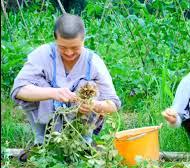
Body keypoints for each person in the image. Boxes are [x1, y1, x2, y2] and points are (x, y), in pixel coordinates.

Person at [10, 14, 121, 159]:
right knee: (36, 85)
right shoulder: (42, 55)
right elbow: (18, 90)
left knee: (89, 86)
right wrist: (52, 93)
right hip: (45, 128)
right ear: (55, 39)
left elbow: (114, 104)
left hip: (80, 131)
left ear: (83, 40)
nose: (69, 53)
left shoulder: (93, 62)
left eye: (75, 48)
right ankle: (42, 143)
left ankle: (84, 145)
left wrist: (92, 104)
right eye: (62, 47)